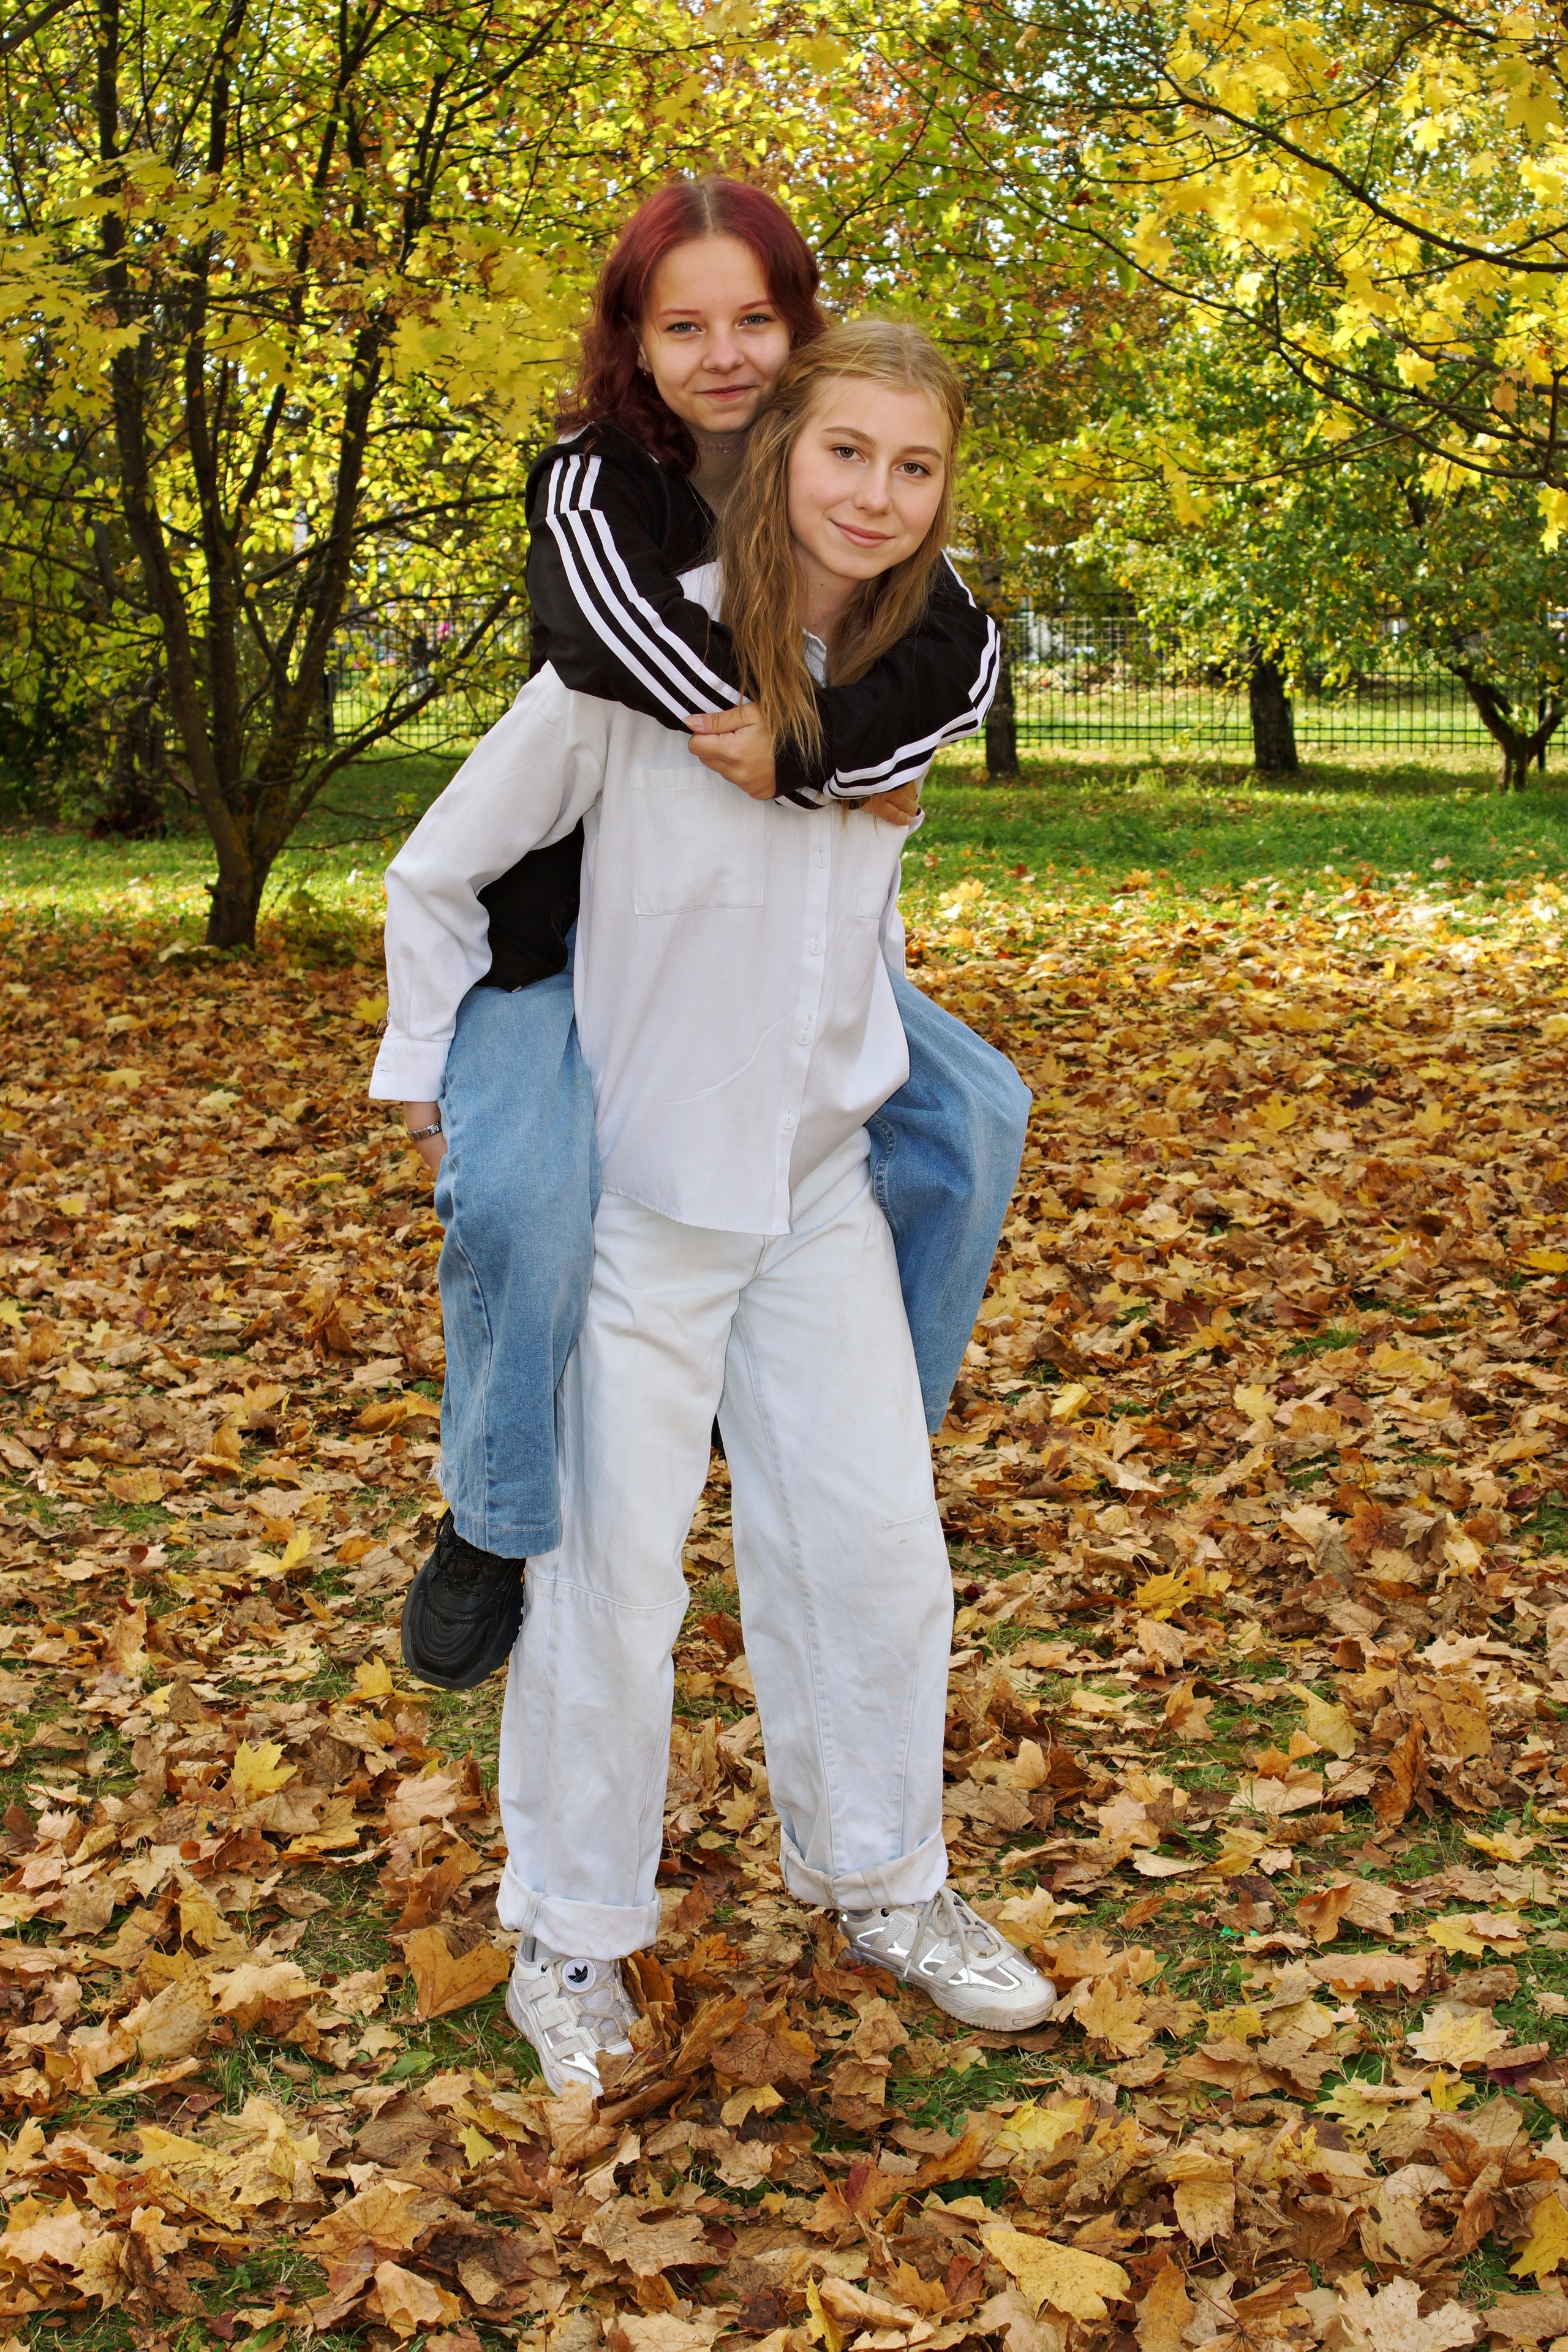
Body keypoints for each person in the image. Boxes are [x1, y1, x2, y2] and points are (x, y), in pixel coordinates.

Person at [372, 322, 1057, 2094]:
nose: (877, 495)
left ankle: (884, 1880)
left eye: (916, 470)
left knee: (876, 1553)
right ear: (780, 457)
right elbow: (437, 874)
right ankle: (572, 1932)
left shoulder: (903, 682)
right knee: (609, 1587)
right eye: (847, 456)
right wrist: (457, 1107)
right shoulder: (630, 678)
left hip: (816, 1193)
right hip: (642, 1212)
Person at [388, 178, 1030, 1692]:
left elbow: (948, 670)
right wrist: (775, 733)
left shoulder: (841, 477)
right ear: (634, 342)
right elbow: (594, 632)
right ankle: (490, 1509)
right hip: (555, 944)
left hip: (762, 947)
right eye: (684, 325)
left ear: (802, 331)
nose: (724, 354)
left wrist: (841, 760)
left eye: (756, 319)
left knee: (978, 1114)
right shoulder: (608, 477)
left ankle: (855, 1415)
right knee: (529, 1202)